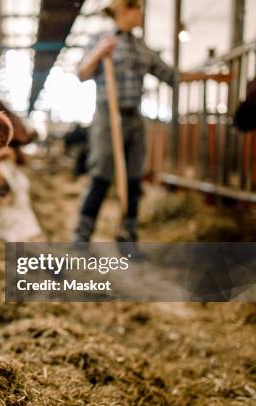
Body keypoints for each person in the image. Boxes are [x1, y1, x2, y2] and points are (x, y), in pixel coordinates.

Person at [73, 0, 207, 244]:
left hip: (134, 115)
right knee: (102, 172)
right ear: (125, 11)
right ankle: (82, 236)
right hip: (108, 114)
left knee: (135, 176)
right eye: (138, 10)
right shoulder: (101, 39)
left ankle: (128, 235)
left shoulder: (141, 47)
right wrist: (99, 53)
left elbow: (170, 76)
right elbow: (82, 73)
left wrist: (208, 76)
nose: (141, 15)